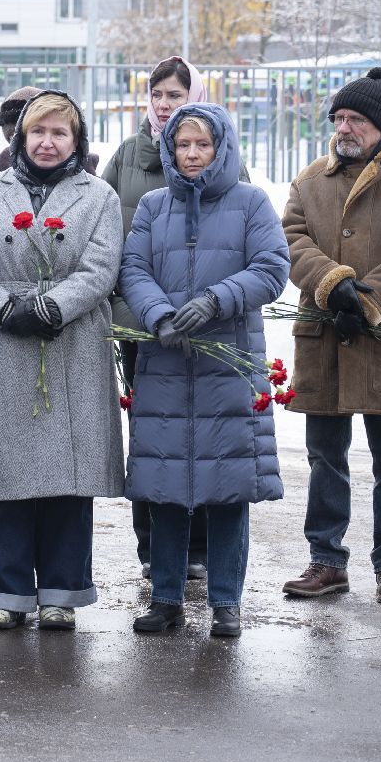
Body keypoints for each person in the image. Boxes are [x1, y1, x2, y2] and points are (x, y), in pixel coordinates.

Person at [0, 90, 124, 632]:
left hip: (71, 342)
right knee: (5, 474)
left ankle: (61, 592)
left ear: (77, 141)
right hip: (6, 341)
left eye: (59, 133)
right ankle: (2, 588)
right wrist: (4, 307)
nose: (47, 143)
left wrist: (53, 305)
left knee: (68, 479)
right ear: (21, 137)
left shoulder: (99, 197)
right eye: (37, 132)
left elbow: (101, 270)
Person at [120, 104, 290, 637]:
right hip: (167, 362)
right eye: (182, 146)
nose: (192, 155)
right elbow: (133, 268)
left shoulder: (251, 202)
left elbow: (272, 267)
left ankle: (225, 602)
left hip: (227, 363)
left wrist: (217, 300)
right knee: (166, 483)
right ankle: (166, 597)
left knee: (228, 488)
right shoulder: (152, 205)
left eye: (202, 145)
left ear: (221, 147)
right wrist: (158, 313)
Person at [281, 67, 381, 605]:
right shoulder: (310, 180)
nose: (344, 127)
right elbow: (290, 239)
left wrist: (369, 299)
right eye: (338, 118)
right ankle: (326, 560)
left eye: (355, 118)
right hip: (326, 338)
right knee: (324, 457)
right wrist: (334, 287)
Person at [103, 56, 222, 579]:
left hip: (203, 322)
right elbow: (106, 230)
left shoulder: (217, 156)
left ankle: (197, 544)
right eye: (157, 95)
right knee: (150, 430)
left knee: (201, 428)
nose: (164, 104)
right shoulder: (128, 154)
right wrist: (136, 309)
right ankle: (151, 544)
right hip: (140, 321)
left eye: (175, 94)